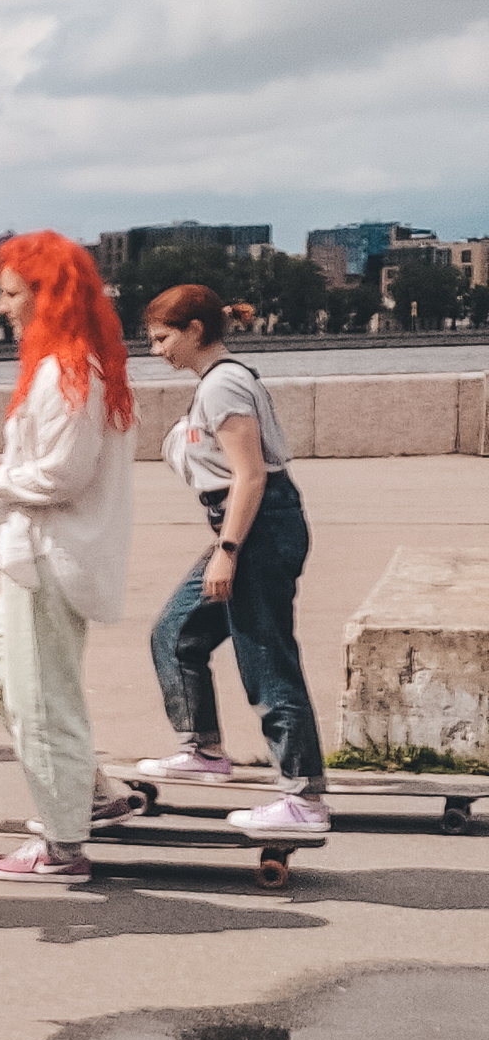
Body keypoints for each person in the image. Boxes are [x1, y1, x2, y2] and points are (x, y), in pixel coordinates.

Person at [0, 234, 138, 884]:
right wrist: (7, 466)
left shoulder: (67, 370)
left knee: (42, 700)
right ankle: (90, 795)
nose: (2, 308)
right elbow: (58, 465)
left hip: (50, 557)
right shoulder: (72, 366)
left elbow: (60, 477)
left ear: (46, 293)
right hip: (39, 556)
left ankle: (63, 849)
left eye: (10, 294)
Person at [136, 286, 328, 840]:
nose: (155, 350)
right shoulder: (212, 385)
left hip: (255, 529)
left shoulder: (223, 384)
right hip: (243, 527)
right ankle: (203, 749)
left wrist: (228, 552)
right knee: (177, 634)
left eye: (162, 337)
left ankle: (304, 797)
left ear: (196, 330)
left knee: (266, 658)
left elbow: (251, 475)